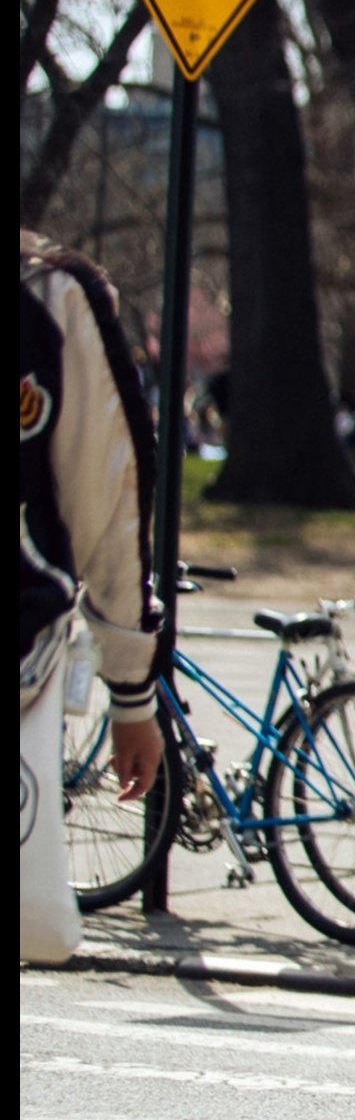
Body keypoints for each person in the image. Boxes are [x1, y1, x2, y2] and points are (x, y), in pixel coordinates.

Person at [20, 231, 162, 962]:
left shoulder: (51, 297)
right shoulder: (50, 296)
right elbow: (108, 500)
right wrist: (131, 696)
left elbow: (107, 501)